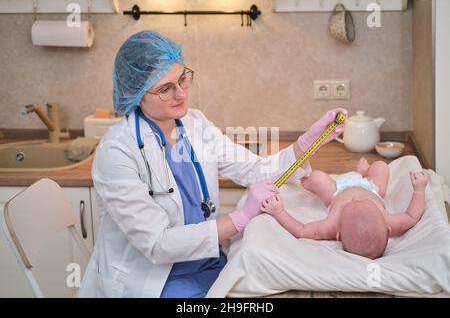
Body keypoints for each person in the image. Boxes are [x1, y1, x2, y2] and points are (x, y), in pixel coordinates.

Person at [79, 30, 347, 297]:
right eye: (165, 89)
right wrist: (241, 217)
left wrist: (308, 142)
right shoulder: (117, 152)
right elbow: (158, 244)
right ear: (133, 92)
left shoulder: (195, 124)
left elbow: (255, 170)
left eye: (183, 79)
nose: (181, 94)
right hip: (154, 279)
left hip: (208, 261)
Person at [261, 157, 428, 259]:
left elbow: (302, 230)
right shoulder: (387, 221)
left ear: (338, 234)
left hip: (336, 192)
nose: (354, 200)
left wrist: (279, 211)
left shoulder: (332, 225)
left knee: (317, 177)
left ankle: (311, 184)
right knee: (381, 166)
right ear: (388, 227)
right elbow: (411, 216)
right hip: (372, 187)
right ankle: (367, 172)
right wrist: (419, 190)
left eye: (348, 207)